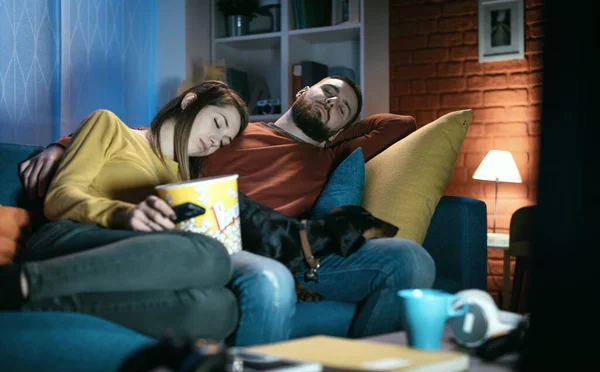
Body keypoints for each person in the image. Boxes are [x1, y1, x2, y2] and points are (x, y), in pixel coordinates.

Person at [20, 75, 436, 344]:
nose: (332, 104)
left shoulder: (332, 154)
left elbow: (400, 125)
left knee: (410, 260)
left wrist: (336, 128)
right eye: (327, 92)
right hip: (228, 245)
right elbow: (143, 137)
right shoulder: (232, 134)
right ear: (301, 91)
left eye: (342, 109)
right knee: (251, 275)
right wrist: (61, 146)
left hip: (299, 252)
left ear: (342, 129)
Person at [0, 81, 248, 342]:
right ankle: (21, 280)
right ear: (189, 102)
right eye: (217, 124)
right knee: (211, 256)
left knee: (220, 310)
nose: (214, 141)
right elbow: (58, 199)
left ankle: (25, 301)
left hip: (134, 260)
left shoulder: (184, 181)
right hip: (69, 235)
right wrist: (124, 214)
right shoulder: (109, 126)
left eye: (223, 141)